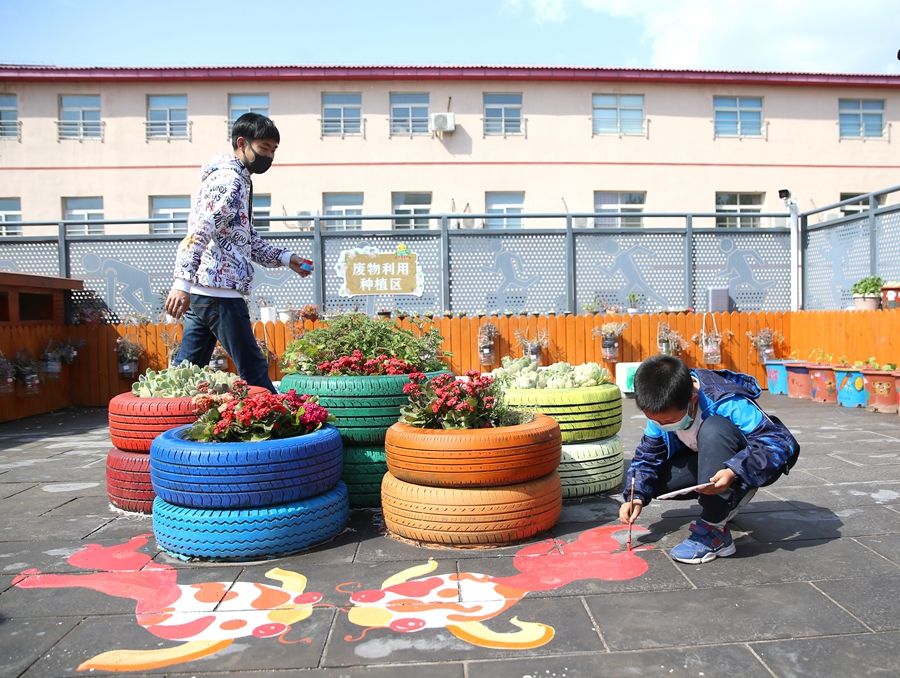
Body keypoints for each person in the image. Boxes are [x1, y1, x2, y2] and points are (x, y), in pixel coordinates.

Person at [164, 112, 312, 392]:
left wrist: (285, 258)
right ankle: (278, 426)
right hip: (220, 292)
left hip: (206, 291)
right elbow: (200, 230)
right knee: (253, 368)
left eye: (273, 150)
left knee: (186, 371)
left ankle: (161, 426)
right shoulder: (229, 182)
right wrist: (181, 283)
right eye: (264, 148)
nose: (269, 156)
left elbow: (245, 238)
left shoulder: (239, 180)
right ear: (242, 143)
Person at [619, 355, 799, 564]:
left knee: (714, 429)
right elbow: (646, 458)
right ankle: (726, 501)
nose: (661, 424)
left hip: (743, 462)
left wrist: (735, 470)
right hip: (708, 460)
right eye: (654, 420)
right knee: (657, 483)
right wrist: (636, 496)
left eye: (667, 420)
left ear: (692, 400)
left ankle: (714, 531)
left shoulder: (726, 401)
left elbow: (780, 443)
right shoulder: (662, 415)